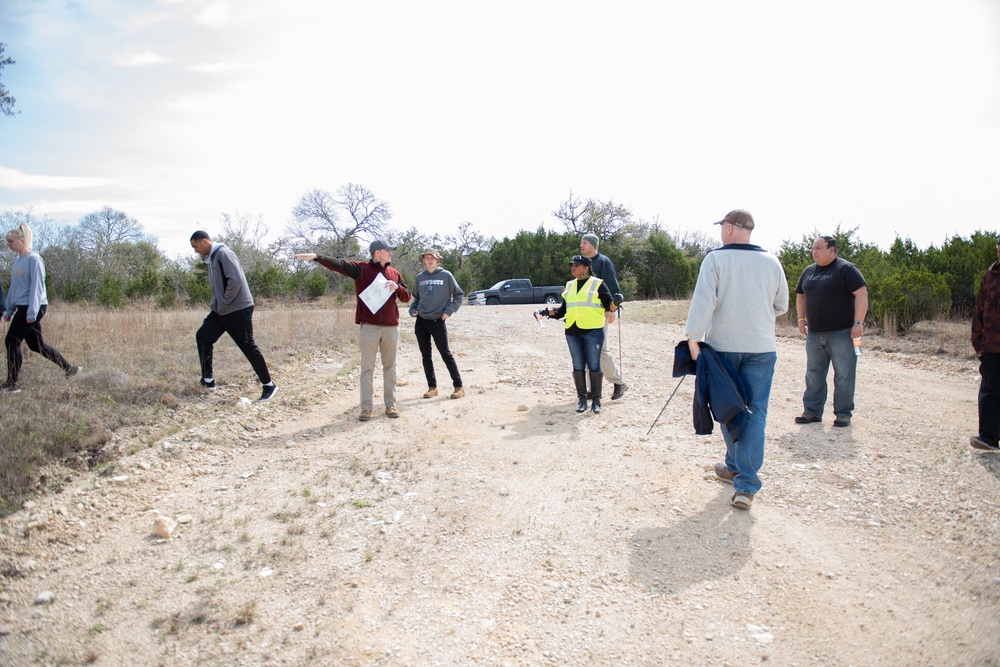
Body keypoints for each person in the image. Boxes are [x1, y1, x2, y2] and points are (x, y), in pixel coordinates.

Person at [685, 209, 788, 510]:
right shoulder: (771, 260)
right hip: (762, 348)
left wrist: (693, 338)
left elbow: (704, 300)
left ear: (730, 229)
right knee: (755, 413)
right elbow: (780, 305)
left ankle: (740, 473)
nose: (721, 232)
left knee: (727, 409)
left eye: (722, 227)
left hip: (723, 349)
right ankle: (742, 481)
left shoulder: (716, 259)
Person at [295, 240, 411, 421]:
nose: (391, 253)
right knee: (367, 368)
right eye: (388, 250)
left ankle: (391, 405)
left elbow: (407, 297)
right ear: (377, 253)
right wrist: (318, 257)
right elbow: (340, 265)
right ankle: (366, 408)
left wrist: (398, 288)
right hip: (369, 328)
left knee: (390, 367)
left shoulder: (394, 273)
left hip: (391, 328)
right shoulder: (361, 269)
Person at [190, 230, 277, 401]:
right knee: (203, 336)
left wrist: (223, 301)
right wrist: (220, 305)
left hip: (237, 309)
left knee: (248, 347)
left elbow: (235, 280)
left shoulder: (224, 253)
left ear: (205, 241)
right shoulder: (213, 258)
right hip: (221, 310)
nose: (195, 250)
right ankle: (208, 380)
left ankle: (269, 385)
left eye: (196, 246)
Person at [794, 235, 869, 427]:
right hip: (815, 334)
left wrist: (858, 322)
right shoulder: (809, 272)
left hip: (842, 333)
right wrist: (801, 320)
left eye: (819, 248)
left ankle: (843, 414)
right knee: (813, 373)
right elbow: (800, 295)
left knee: (844, 373)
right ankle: (812, 411)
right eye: (813, 249)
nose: (814, 252)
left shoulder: (846, 269)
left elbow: (861, 294)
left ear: (832, 250)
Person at [2, 223, 81, 393]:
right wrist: (9, 309)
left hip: (33, 307)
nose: (8, 244)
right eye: (7, 241)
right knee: (37, 345)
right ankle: (70, 369)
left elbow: (37, 287)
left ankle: (12, 384)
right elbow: (15, 288)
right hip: (24, 307)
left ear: (22, 241)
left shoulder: (34, 259)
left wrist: (32, 312)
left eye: (11, 241)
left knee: (11, 341)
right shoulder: (17, 261)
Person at [538, 255, 616, 414]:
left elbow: (610, 305)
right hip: (572, 331)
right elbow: (562, 311)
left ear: (586, 268)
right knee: (578, 365)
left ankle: (596, 400)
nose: (572, 268)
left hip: (593, 331)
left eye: (576, 265)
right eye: (572, 265)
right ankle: (582, 400)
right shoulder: (570, 285)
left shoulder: (598, 284)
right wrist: (546, 312)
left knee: (594, 365)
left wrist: (616, 303)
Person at [409, 250, 465, 399]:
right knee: (426, 355)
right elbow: (416, 298)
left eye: (432, 258)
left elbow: (459, 295)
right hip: (421, 321)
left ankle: (459, 386)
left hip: (438, 321)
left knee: (445, 354)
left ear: (437, 260)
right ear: (423, 261)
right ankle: (432, 387)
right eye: (426, 258)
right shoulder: (420, 278)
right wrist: (413, 310)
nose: (429, 261)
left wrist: (449, 311)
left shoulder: (446, 275)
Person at [579, 233, 628, 400]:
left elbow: (613, 288)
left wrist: (612, 310)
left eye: (584, 243)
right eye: (581, 243)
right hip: (584, 315)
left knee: (601, 351)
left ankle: (619, 383)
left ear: (593, 245)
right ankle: (593, 390)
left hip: (600, 314)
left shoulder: (603, 262)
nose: (581, 245)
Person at [970, 236, 1000, 451]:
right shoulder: (990, 276)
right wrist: (978, 343)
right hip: (991, 345)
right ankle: (988, 438)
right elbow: (979, 311)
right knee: (990, 390)